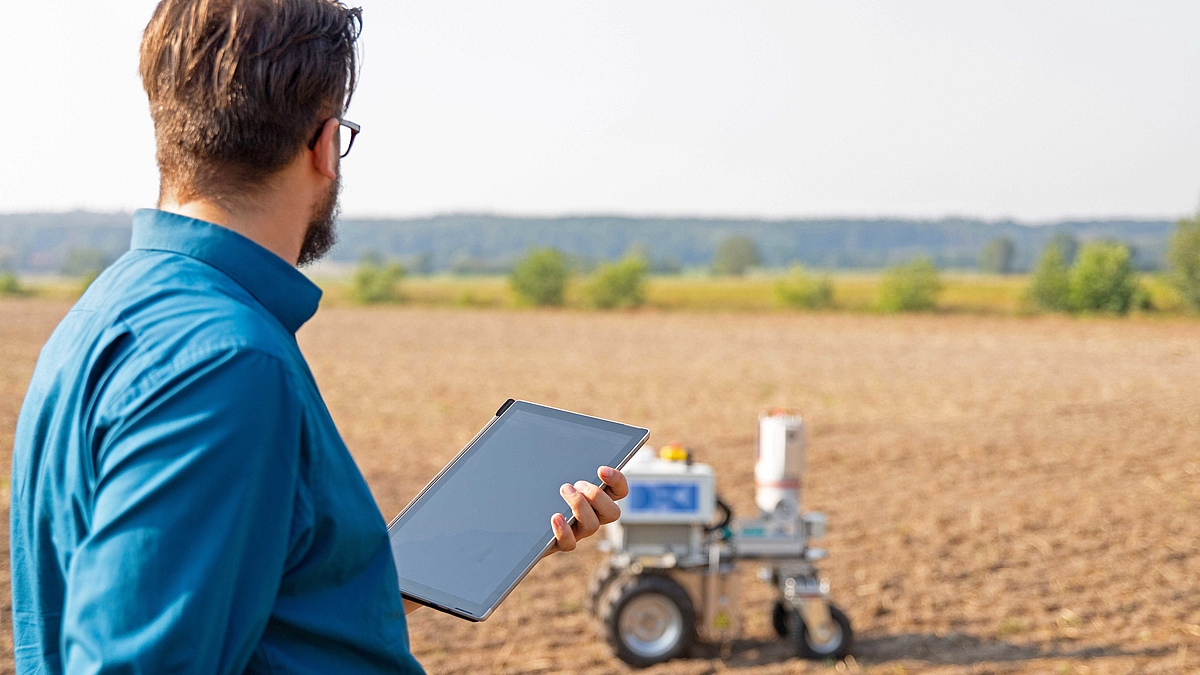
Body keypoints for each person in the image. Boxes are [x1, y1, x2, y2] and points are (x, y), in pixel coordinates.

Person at [8, 1, 628, 673]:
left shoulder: (103, 313)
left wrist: (492, 538)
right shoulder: (227, 363)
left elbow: (257, 599)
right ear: (326, 143)